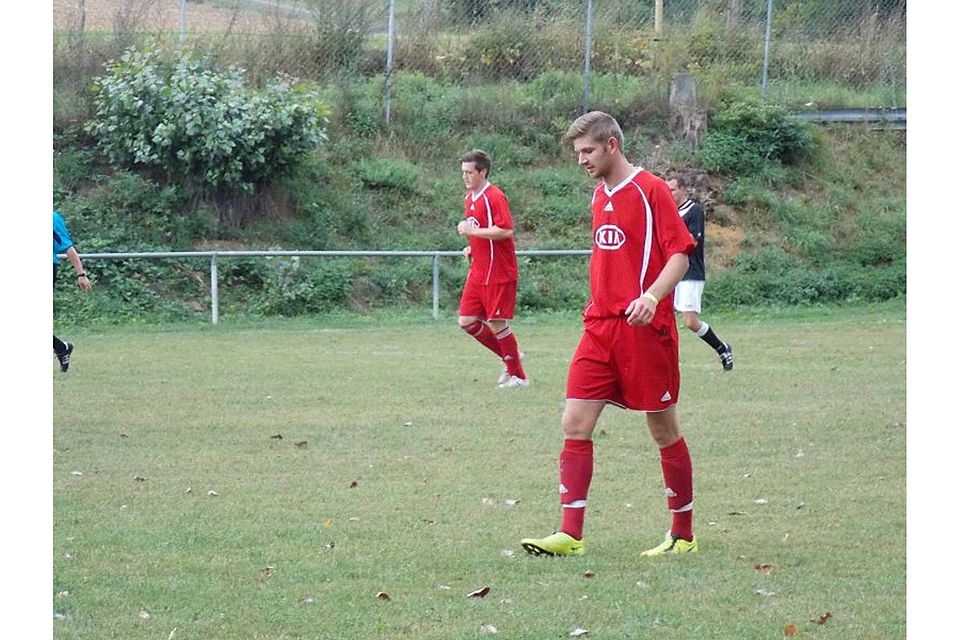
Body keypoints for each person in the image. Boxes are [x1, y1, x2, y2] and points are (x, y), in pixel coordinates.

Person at [520, 112, 698, 558]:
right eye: (577, 152)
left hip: (644, 328)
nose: (581, 160)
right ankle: (569, 534)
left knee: (663, 429)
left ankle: (683, 535)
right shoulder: (600, 195)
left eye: (588, 151)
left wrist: (653, 297)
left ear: (612, 145)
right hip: (600, 326)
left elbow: (679, 256)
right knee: (574, 423)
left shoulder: (651, 189)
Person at [456, 149, 528, 389]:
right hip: (479, 270)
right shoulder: (470, 198)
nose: (465, 176)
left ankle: (518, 376)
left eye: (469, 172)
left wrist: (472, 233)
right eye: (463, 172)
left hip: (498, 271)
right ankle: (511, 357)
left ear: (483, 172)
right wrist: (472, 248)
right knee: (466, 321)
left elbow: (505, 230)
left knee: (497, 323)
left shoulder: (494, 196)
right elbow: (480, 233)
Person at [667, 175, 733, 371]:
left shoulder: (693, 211)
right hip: (670, 271)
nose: (669, 194)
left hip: (690, 271)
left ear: (683, 190)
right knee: (663, 318)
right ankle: (665, 361)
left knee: (690, 321)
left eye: (672, 189)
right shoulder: (669, 212)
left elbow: (691, 241)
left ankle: (722, 348)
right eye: (667, 190)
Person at [53, 210, 92, 372]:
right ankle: (62, 348)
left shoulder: (51, 218)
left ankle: (62, 348)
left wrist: (81, 274)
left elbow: (68, 247)